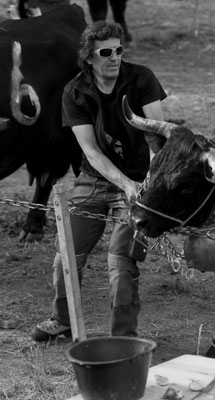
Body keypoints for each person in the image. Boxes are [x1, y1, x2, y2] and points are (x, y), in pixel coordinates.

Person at [31, 20, 166, 341]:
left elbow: (158, 137)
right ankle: (62, 319)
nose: (115, 57)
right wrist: (124, 184)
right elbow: (90, 152)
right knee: (66, 253)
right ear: (88, 58)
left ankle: (123, 336)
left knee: (121, 262)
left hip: (139, 180)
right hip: (95, 179)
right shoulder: (75, 92)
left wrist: (146, 185)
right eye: (105, 52)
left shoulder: (142, 79)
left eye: (119, 50)